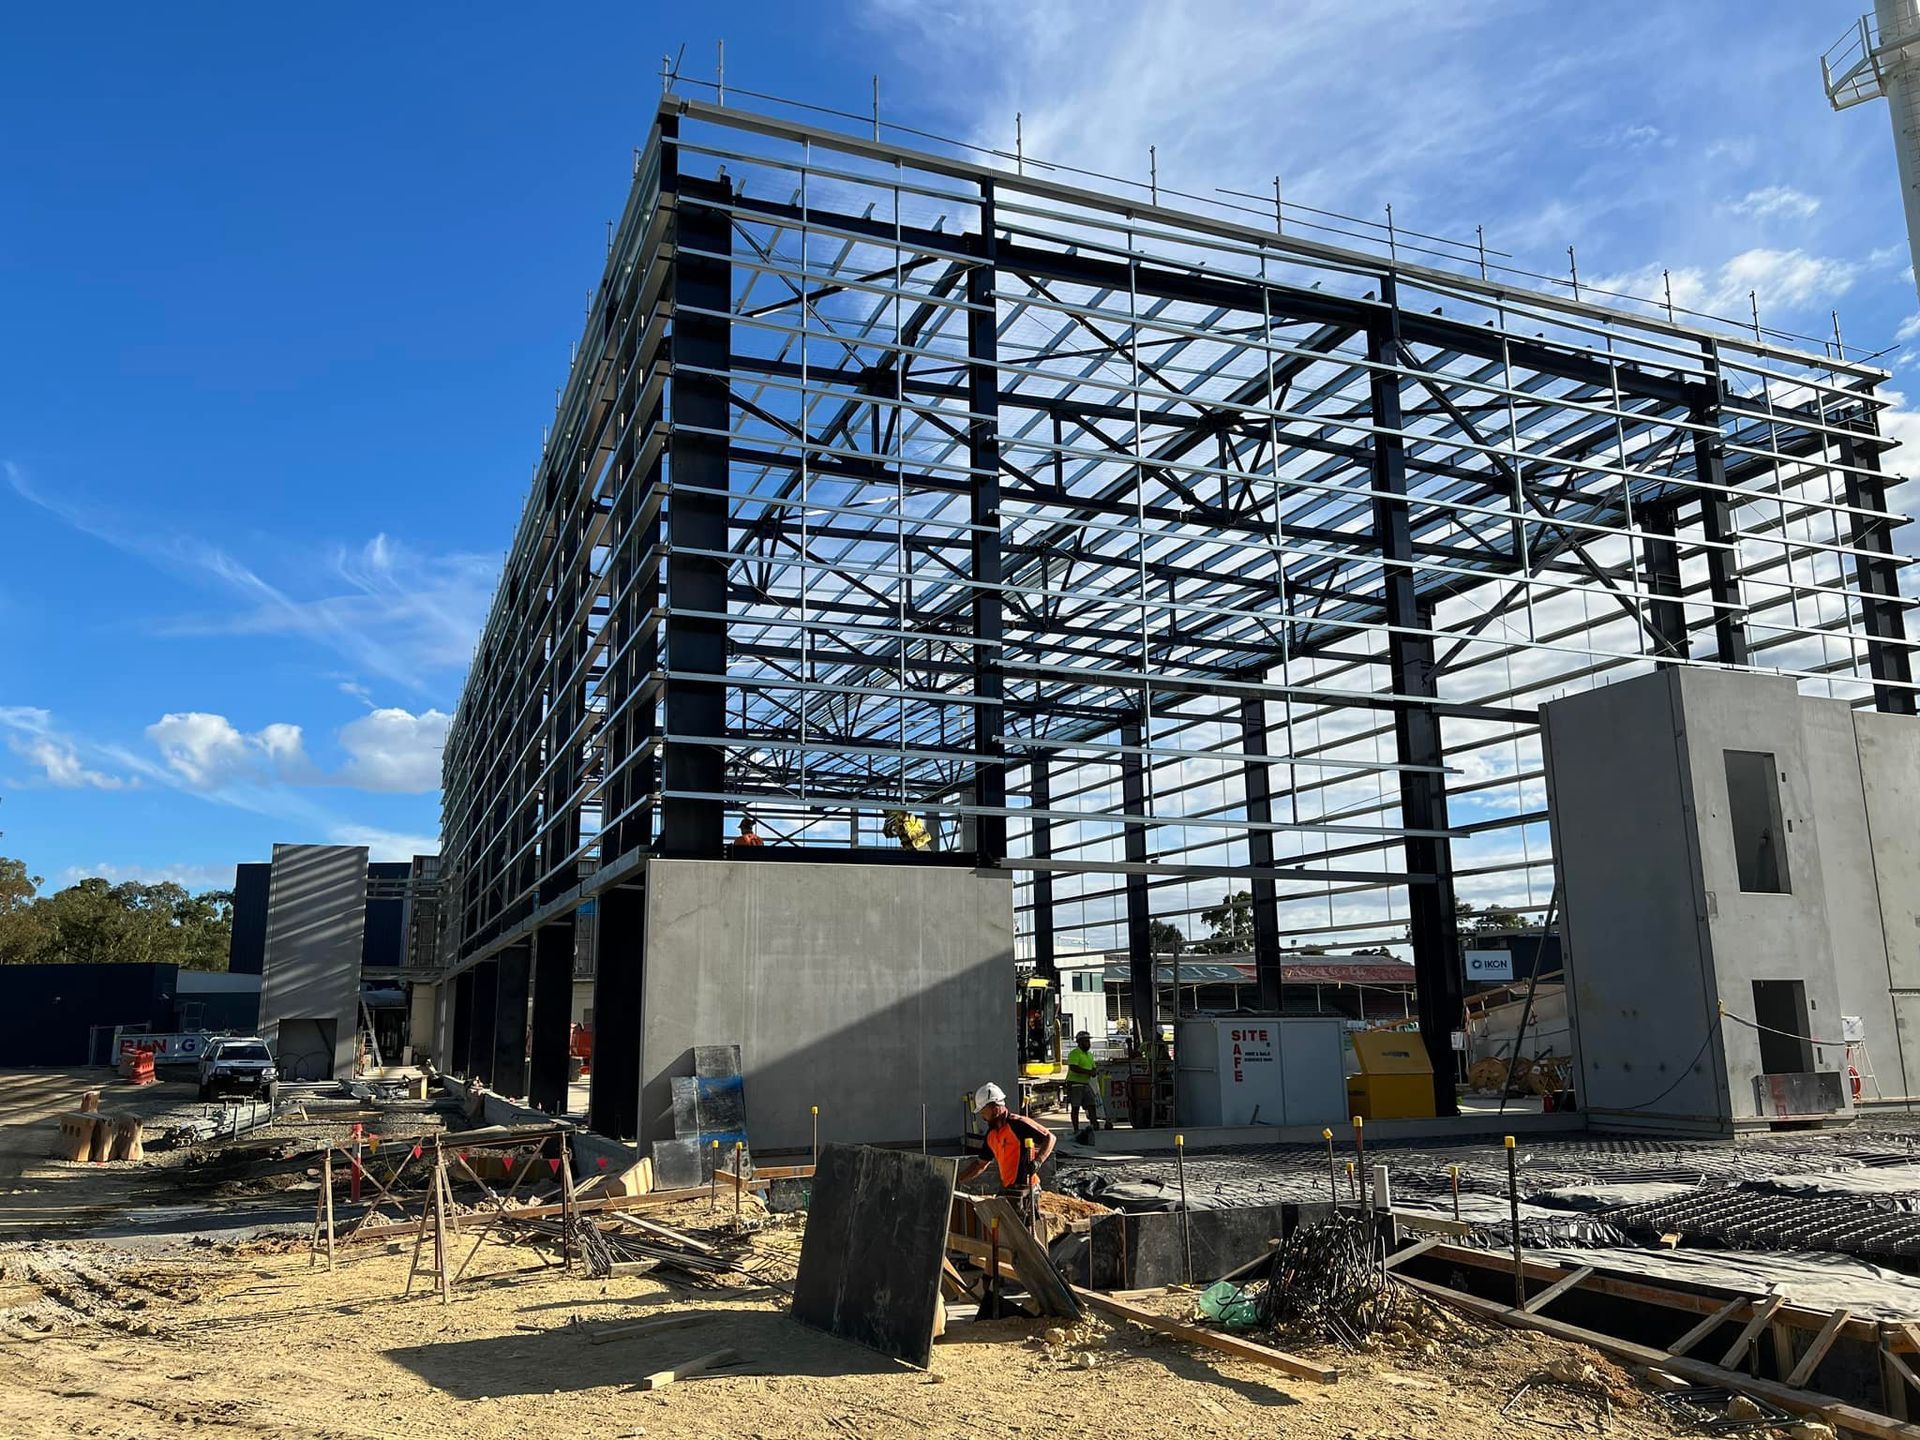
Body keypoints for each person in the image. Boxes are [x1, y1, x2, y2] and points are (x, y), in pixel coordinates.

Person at [955, 1082, 1055, 1224]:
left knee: (1024, 1235)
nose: (982, 1116)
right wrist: (957, 1179)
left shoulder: (1018, 1124)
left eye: (983, 1111)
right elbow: (980, 1165)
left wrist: (1038, 1161)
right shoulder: (991, 1135)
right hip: (1008, 1190)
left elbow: (1050, 1138)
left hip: (1027, 1190)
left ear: (995, 1108)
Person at [1065, 1030, 1108, 1142]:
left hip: (1085, 1083)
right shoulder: (1075, 1053)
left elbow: (1093, 1067)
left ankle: (1094, 1125)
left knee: (1091, 1104)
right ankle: (1076, 1129)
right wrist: (1088, 1072)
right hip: (1075, 1084)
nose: (1088, 1043)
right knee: (1076, 1107)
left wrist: (1094, 1071)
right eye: (1086, 1041)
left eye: (1088, 1041)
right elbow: (1073, 1067)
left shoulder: (1089, 1055)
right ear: (1079, 1042)